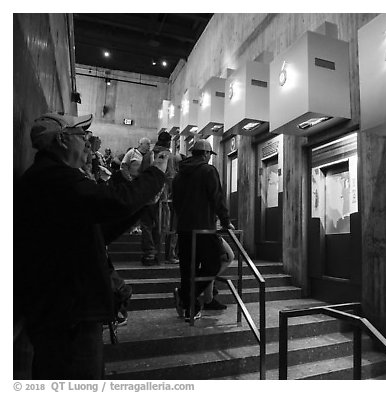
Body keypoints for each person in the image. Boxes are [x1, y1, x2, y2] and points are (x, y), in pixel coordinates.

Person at [13, 112, 168, 379]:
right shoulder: (54, 179)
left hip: (69, 313)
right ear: (62, 140)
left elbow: (99, 230)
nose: (88, 142)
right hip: (67, 318)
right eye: (81, 135)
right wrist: (156, 173)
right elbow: (113, 201)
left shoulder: (54, 176)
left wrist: (142, 203)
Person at [172, 139, 234, 322]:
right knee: (215, 263)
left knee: (187, 270)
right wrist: (225, 221)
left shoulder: (179, 175)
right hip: (204, 229)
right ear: (206, 154)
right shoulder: (208, 170)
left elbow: (175, 203)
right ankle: (186, 297)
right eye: (209, 155)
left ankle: (190, 306)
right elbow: (217, 197)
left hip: (184, 230)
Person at [138, 131, 177, 265]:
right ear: (168, 142)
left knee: (147, 224)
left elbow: (141, 173)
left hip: (146, 195)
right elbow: (171, 176)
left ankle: (149, 253)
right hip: (162, 195)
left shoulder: (148, 154)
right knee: (161, 225)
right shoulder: (168, 156)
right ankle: (158, 253)